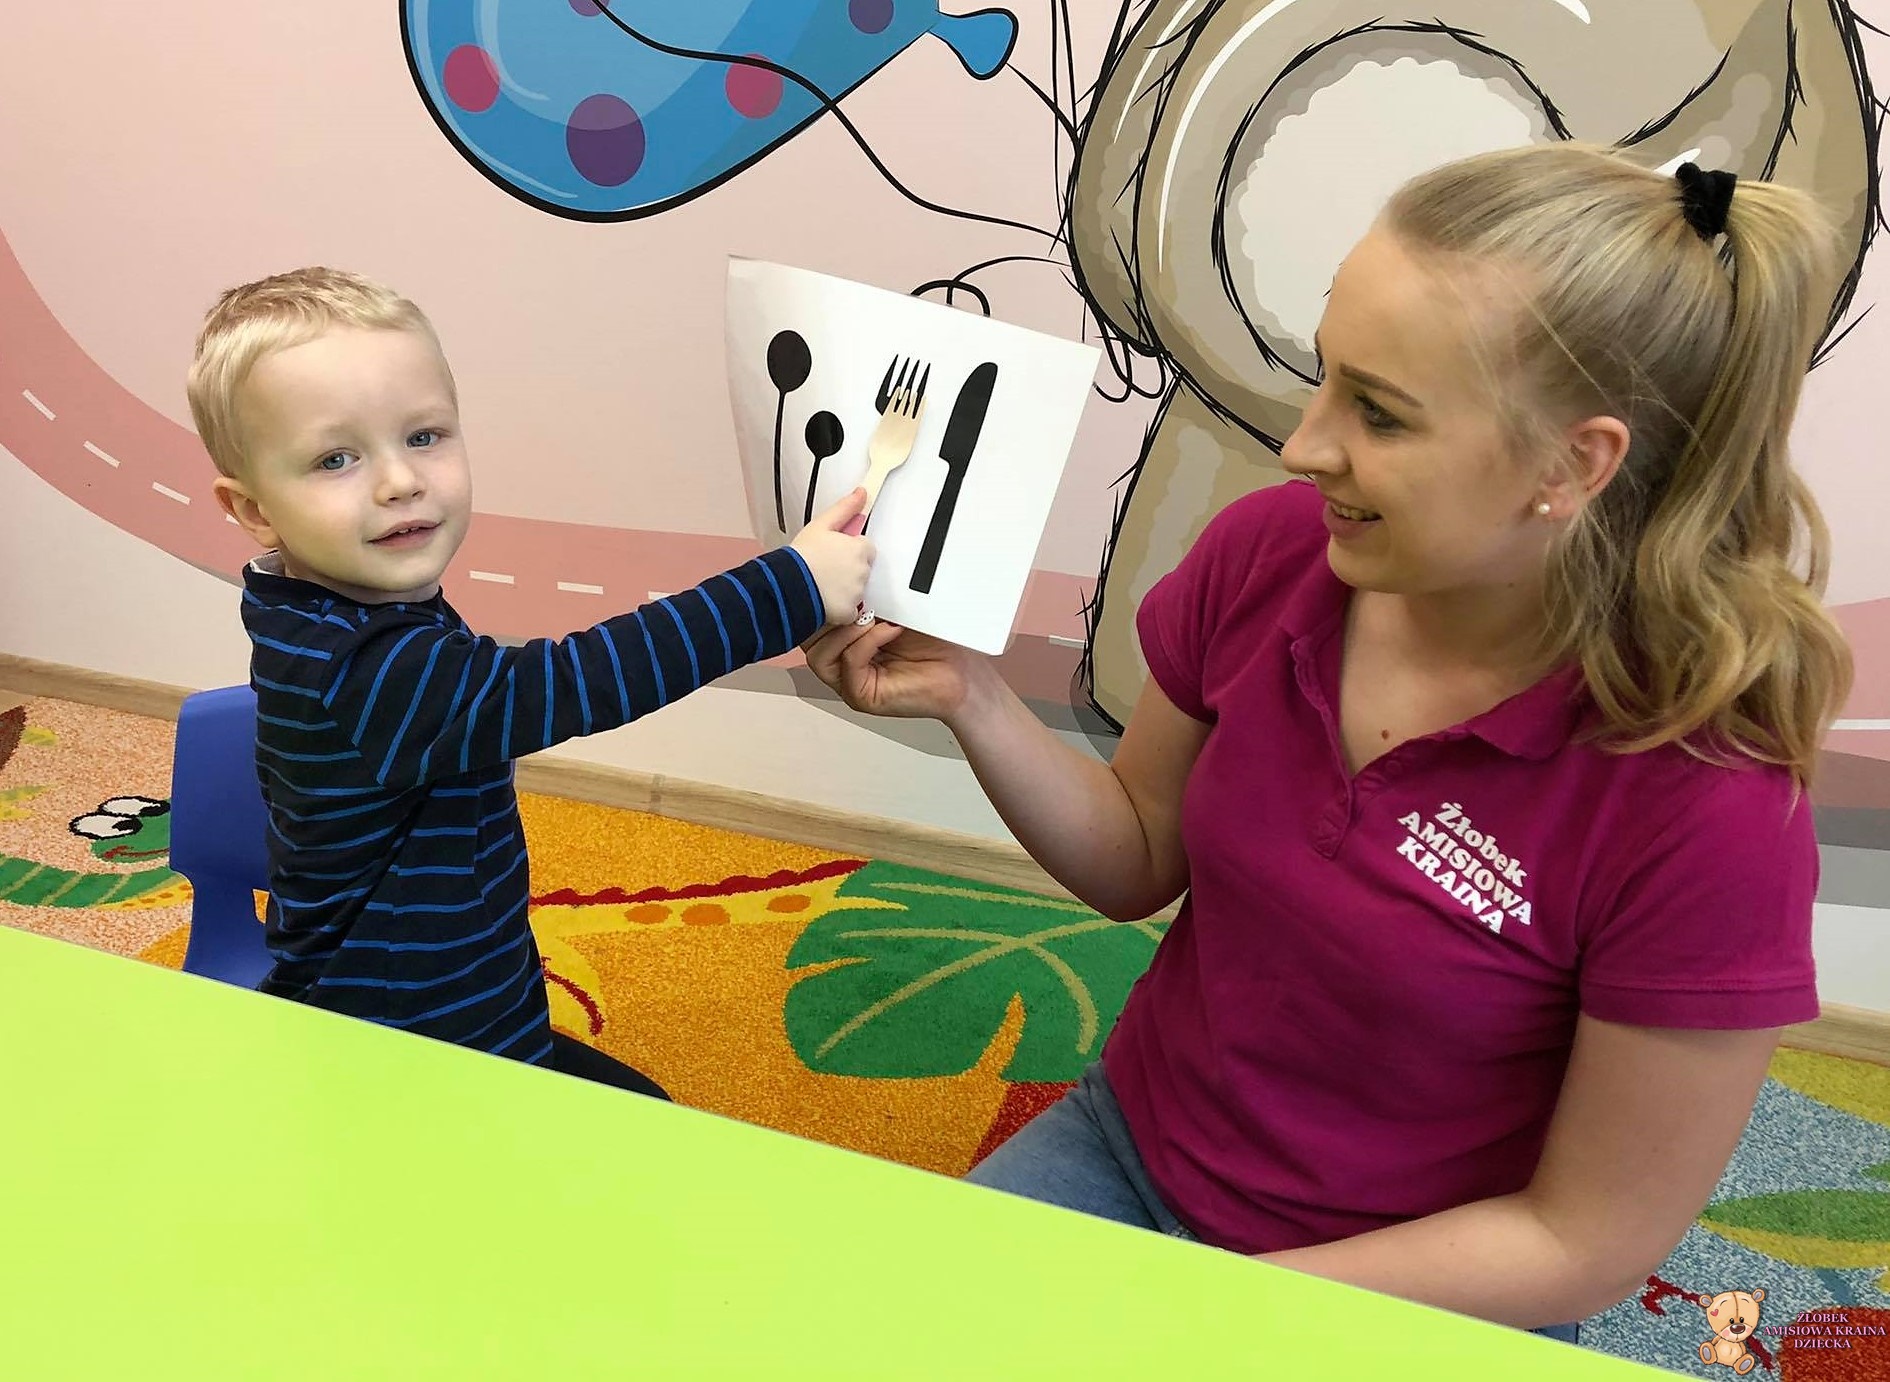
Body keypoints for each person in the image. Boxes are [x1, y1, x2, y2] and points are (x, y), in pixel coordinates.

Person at [804, 144, 1853, 1340]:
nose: (1303, 446)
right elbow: (1137, 851)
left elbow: (1583, 1239)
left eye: (1380, 413)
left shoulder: (1708, 808)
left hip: (1420, 1292)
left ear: (1574, 464)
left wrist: (1213, 1315)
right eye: (1325, 378)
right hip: (1130, 1152)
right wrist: (973, 699)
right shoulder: (1267, 556)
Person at [189, 266, 874, 1095]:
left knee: (648, 1111)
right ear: (255, 510)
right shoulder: (358, 667)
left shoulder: (342, 607)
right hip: (398, 1051)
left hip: (465, 996)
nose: (400, 481)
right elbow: (564, 684)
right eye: (336, 458)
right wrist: (787, 589)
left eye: (423, 437)